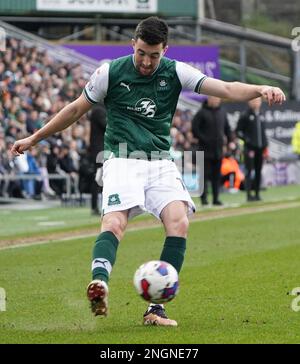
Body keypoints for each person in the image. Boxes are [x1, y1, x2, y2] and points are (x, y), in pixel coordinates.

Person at [11, 17, 285, 327]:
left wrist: (260, 88)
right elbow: (75, 109)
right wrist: (34, 138)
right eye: (141, 53)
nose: (146, 61)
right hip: (121, 158)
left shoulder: (176, 71)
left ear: (164, 50)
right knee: (115, 222)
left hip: (160, 162)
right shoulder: (109, 72)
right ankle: (99, 282)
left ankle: (156, 309)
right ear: (133, 44)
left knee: (179, 222)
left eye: (154, 55)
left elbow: (225, 87)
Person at [192, 96, 232, 206]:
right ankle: (204, 199)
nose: (215, 100)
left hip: (218, 150)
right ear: (208, 99)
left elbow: (227, 128)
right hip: (204, 150)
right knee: (203, 176)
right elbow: (195, 129)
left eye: (217, 98)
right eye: (213, 98)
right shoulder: (201, 113)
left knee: (216, 176)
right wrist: (205, 139)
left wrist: (230, 140)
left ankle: (216, 198)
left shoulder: (222, 112)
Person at [236, 97, 268, 201]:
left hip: (260, 148)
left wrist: (265, 145)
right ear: (249, 102)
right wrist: (248, 140)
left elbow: (263, 132)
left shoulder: (261, 114)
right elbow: (238, 131)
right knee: (249, 171)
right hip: (249, 149)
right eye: (254, 100)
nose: (256, 103)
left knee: (258, 171)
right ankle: (249, 194)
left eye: (258, 101)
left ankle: (257, 193)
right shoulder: (245, 115)